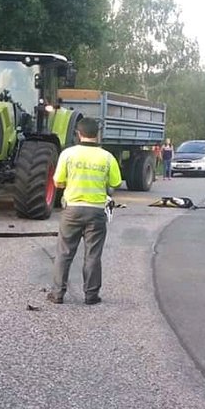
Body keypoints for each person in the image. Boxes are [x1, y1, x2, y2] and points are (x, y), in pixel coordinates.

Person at [47, 118, 123, 305]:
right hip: (96, 212)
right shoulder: (107, 157)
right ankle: (91, 295)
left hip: (72, 210)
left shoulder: (68, 154)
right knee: (93, 255)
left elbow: (58, 182)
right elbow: (115, 183)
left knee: (64, 253)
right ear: (97, 134)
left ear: (78, 134)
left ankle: (57, 294)